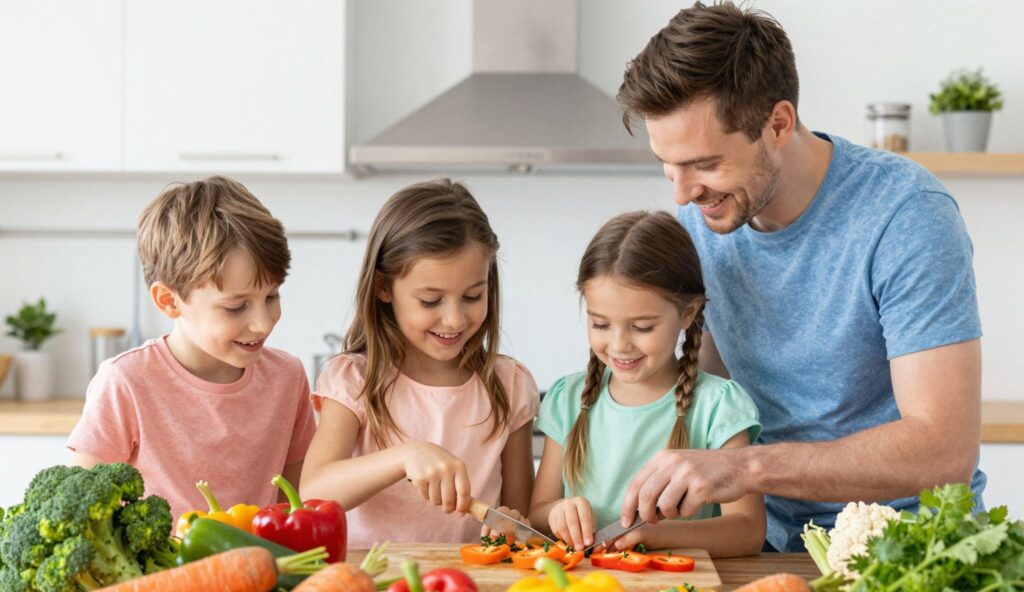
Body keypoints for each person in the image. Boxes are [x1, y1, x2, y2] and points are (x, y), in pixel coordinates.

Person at [615, 1, 984, 551]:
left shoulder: (906, 215)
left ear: (778, 123)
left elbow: (944, 449)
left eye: (705, 164)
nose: (682, 193)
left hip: (910, 547)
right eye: (669, 165)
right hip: (767, 542)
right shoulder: (703, 222)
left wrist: (745, 468)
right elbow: (702, 393)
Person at [300, 178, 539, 547]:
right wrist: (404, 457)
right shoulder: (354, 380)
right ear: (382, 287)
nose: (455, 319)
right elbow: (312, 494)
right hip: (375, 582)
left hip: (473, 582)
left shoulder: (509, 383)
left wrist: (512, 525)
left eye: (473, 296)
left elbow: (516, 513)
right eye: (430, 301)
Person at [67, 176, 317, 519]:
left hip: (261, 569)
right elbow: (78, 506)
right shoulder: (126, 381)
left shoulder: (287, 377)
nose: (263, 322)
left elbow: (297, 504)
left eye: (271, 296)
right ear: (169, 301)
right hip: (161, 573)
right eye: (236, 306)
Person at [528, 211, 765, 557]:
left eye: (642, 327)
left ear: (687, 312)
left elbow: (747, 531)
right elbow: (536, 516)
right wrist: (555, 513)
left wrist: (657, 535)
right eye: (601, 324)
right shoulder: (568, 399)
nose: (620, 345)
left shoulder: (719, 406)